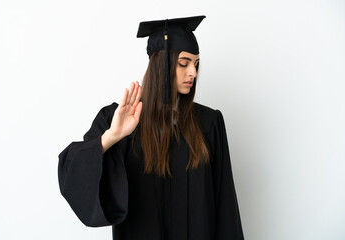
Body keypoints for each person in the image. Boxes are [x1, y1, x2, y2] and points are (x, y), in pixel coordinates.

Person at [58, 15, 244, 240]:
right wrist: (112, 136)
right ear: (161, 65)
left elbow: (225, 207)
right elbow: (73, 173)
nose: (193, 73)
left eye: (196, 64)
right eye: (184, 63)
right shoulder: (119, 119)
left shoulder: (208, 123)